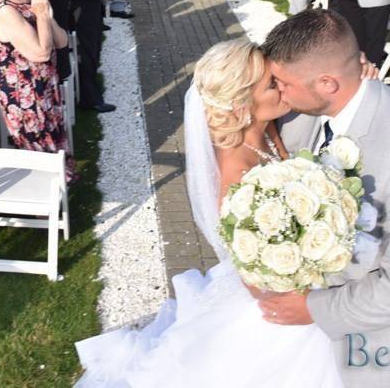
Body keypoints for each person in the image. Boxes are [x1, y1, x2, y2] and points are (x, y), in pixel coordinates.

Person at [75, 38, 351, 386]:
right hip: (276, 298)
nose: (282, 88)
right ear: (241, 105)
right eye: (272, 85)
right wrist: (309, 302)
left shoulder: (266, 129)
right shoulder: (237, 176)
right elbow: (253, 274)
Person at [260, 9, 390, 387]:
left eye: (282, 83)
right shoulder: (306, 112)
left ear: (327, 83)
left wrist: (311, 309)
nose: (278, 91)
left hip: (388, 345)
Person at [0, 0, 72, 175]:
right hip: (25, 98)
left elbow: (62, 41)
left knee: (53, 150)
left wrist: (45, 15)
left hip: (45, 89)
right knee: (39, 158)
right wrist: (43, 16)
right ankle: (42, 207)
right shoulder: (5, 10)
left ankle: (57, 199)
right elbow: (42, 52)